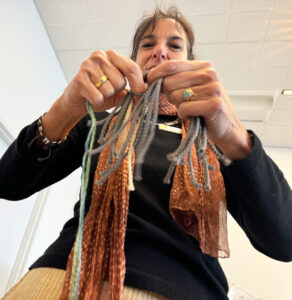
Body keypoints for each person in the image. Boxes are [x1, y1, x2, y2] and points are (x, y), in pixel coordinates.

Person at [1, 6, 292, 300]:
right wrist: (65, 108)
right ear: (134, 62)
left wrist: (236, 137)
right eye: (148, 44)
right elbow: (8, 183)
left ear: (191, 63)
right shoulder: (99, 124)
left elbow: (285, 240)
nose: (160, 52)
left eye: (174, 45)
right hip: (63, 279)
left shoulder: (216, 141)